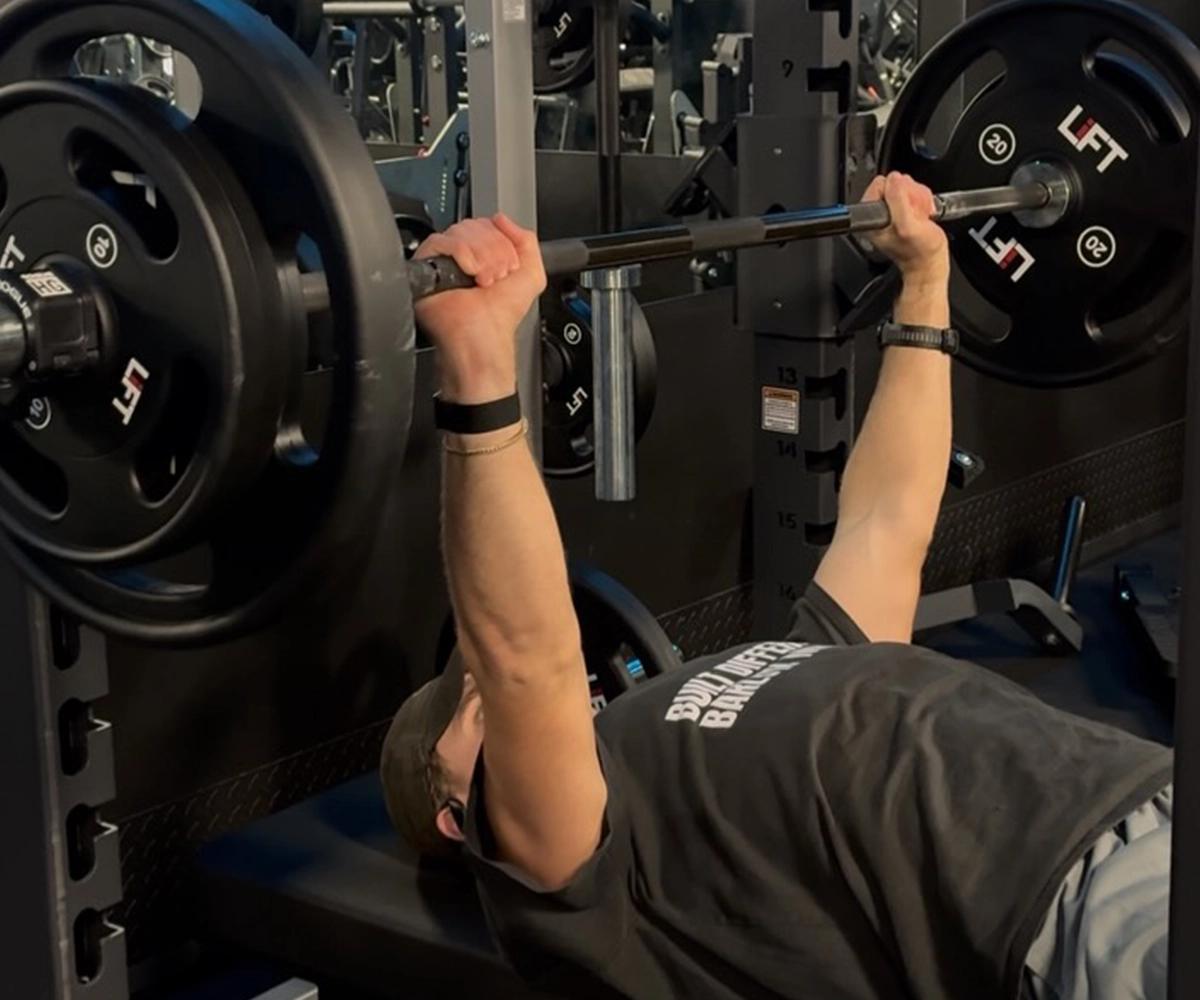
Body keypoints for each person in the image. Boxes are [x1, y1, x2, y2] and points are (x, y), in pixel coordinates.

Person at [380, 175, 1173, 1000]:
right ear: (457, 812)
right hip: (1072, 910)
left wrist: (926, 282)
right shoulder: (580, 872)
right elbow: (525, 662)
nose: (556, 696)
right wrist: (476, 365)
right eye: (474, 714)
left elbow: (889, 525)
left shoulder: (779, 667)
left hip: (1139, 791)